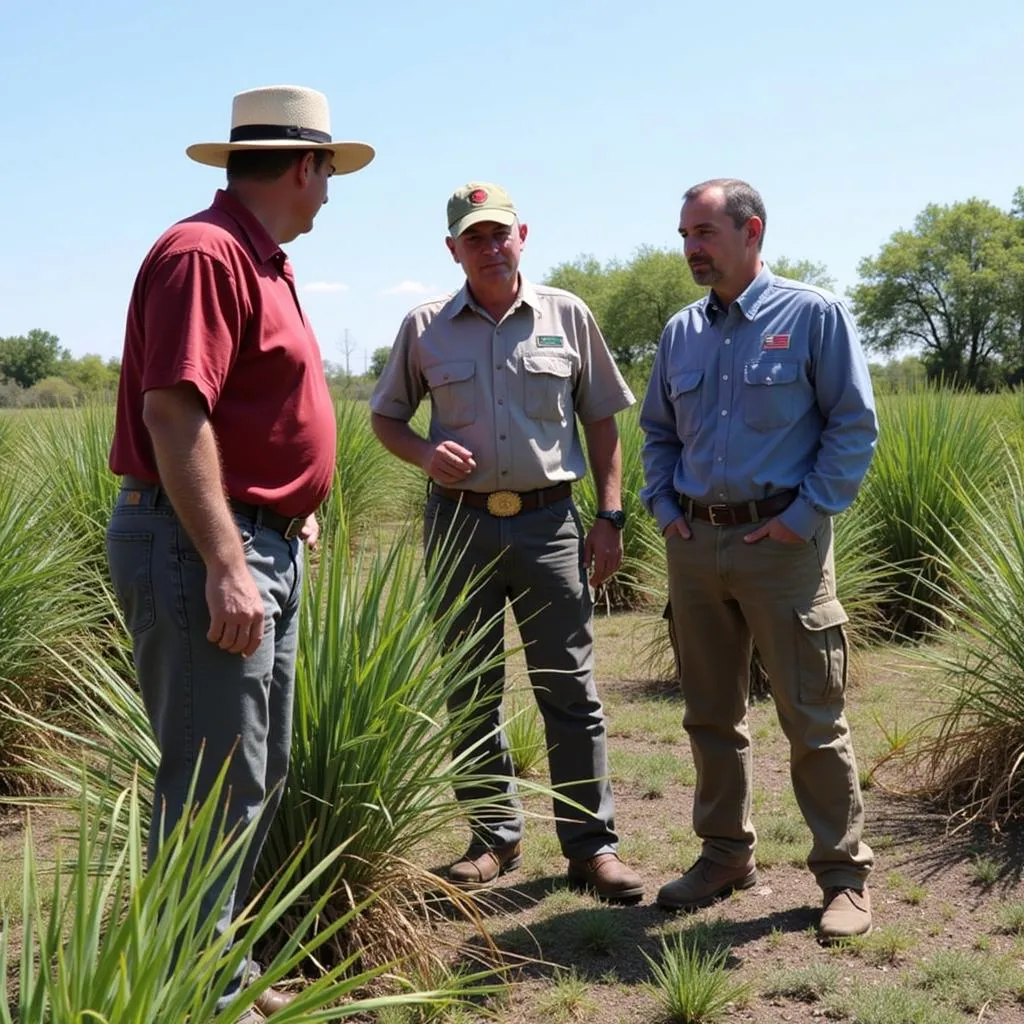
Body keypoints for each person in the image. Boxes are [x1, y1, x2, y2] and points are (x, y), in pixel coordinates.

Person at [106, 85, 374, 1020]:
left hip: (251, 543)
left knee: (248, 774)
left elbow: (243, 409)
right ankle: (189, 994)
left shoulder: (263, 261)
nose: (332, 190)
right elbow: (173, 409)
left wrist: (282, 507)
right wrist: (227, 555)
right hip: (203, 553)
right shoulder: (204, 253)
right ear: (304, 167)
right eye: (329, 171)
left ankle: (213, 975)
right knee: (213, 782)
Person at [369, 181, 643, 903]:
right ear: (452, 248)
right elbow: (387, 419)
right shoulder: (425, 327)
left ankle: (592, 847)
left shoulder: (567, 316)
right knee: (470, 688)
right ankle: (494, 839)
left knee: (570, 689)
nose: (490, 247)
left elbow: (604, 422)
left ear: (523, 236)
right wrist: (426, 453)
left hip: (551, 524)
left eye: (501, 234)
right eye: (474, 237)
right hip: (458, 524)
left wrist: (609, 518)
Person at [639, 178, 877, 942]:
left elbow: (853, 428)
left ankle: (842, 876)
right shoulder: (680, 332)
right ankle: (723, 856)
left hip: (784, 548)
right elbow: (657, 433)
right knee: (710, 714)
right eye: (685, 235)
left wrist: (804, 518)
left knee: (811, 716)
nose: (692, 249)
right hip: (695, 547)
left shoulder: (814, 315)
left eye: (705, 232)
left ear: (752, 231)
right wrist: (666, 509)